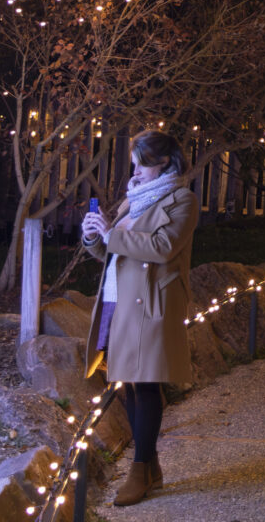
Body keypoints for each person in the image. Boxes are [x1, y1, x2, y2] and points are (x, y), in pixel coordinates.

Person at [82, 130, 198, 507]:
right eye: (134, 161)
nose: (135, 169)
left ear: (164, 161)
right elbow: (115, 252)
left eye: (142, 162)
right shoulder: (136, 198)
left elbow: (163, 248)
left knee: (145, 383)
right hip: (121, 297)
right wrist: (94, 238)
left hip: (152, 298)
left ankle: (140, 470)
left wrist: (112, 235)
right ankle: (150, 467)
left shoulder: (183, 200)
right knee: (128, 384)